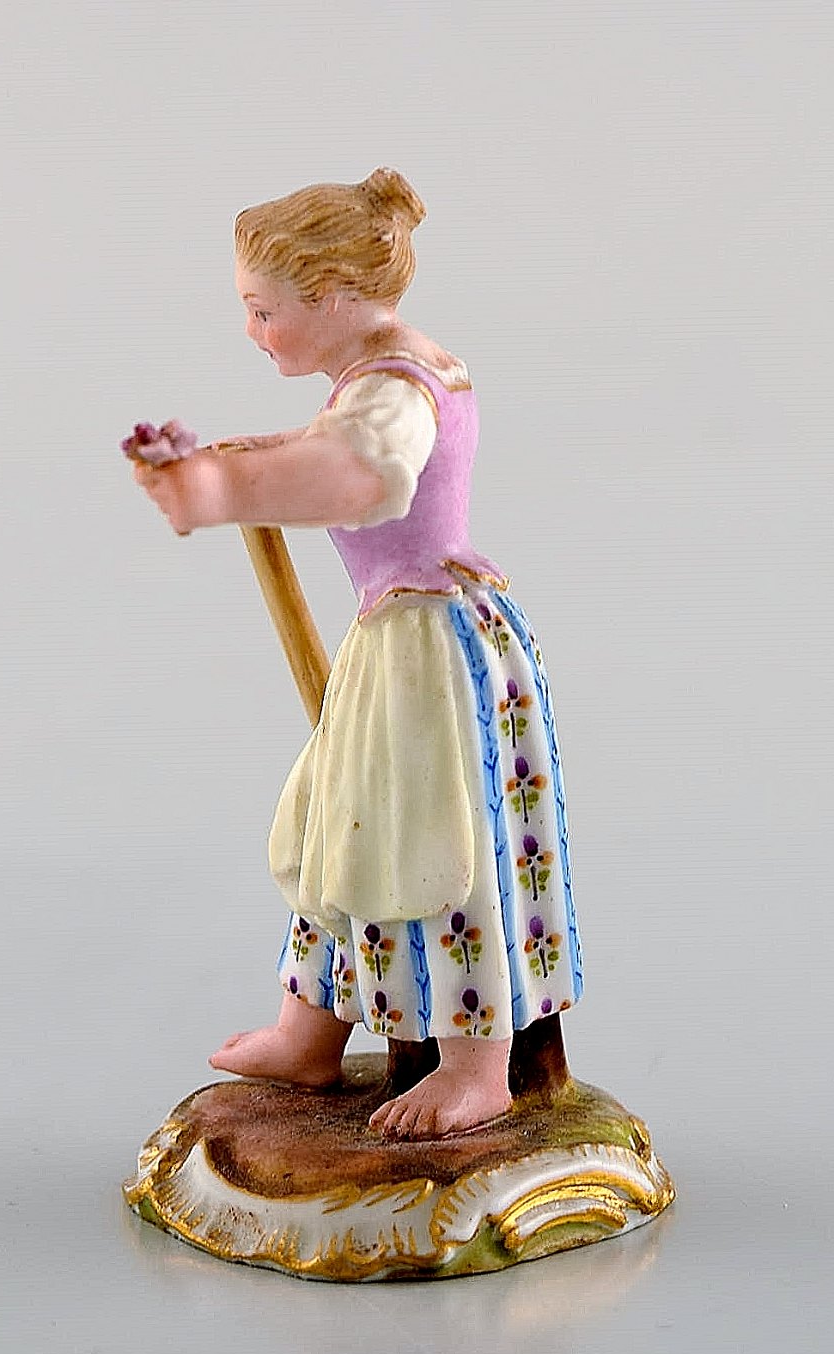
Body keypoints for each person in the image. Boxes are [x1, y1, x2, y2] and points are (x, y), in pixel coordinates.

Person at [134, 169, 582, 1139]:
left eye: (265, 311)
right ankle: (309, 1032)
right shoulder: (382, 368)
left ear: (335, 297)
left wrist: (220, 491)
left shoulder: (392, 388)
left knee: (433, 847)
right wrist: (237, 464)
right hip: (405, 632)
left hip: (429, 648)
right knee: (341, 828)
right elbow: (328, 444)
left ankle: (475, 1070)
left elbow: (362, 475)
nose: (253, 330)